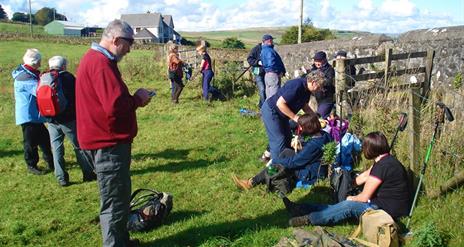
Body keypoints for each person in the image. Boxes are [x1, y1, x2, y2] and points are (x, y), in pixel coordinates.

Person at [75, 19, 152, 247]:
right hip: (107, 143)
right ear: (116, 40)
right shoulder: (100, 63)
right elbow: (115, 106)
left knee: (115, 196)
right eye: (129, 44)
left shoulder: (96, 60)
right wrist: (138, 99)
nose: (130, 49)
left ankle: (121, 241)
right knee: (114, 201)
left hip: (100, 139)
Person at [284, 131, 411, 227]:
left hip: (387, 212)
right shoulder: (385, 160)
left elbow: (364, 197)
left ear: (370, 149)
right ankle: (301, 208)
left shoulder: (383, 167)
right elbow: (366, 175)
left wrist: (351, 198)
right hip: (386, 205)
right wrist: (348, 184)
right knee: (338, 206)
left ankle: (309, 219)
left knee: (348, 206)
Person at [233, 112, 333, 190]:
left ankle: (252, 182)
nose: (300, 128)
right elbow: (314, 154)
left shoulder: (313, 145)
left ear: (308, 127)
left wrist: (275, 160)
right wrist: (301, 145)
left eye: (301, 126)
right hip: (315, 166)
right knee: (286, 152)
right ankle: (257, 179)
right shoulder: (324, 135)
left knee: (279, 164)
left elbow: (294, 162)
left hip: (310, 175)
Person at [45, 56, 96, 186]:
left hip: (51, 119)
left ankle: (61, 178)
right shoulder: (68, 78)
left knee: (56, 148)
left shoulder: (44, 77)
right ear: (63, 66)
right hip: (68, 119)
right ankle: (88, 173)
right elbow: (79, 96)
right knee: (79, 146)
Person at [260, 70, 325, 161]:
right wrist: (295, 118)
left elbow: (304, 105)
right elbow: (280, 103)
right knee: (279, 140)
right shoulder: (296, 85)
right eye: (320, 86)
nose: (320, 89)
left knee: (287, 139)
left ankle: (287, 162)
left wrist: (315, 117)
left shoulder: (307, 90)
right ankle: (276, 167)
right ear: (313, 82)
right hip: (272, 111)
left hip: (282, 115)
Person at [12, 48, 54, 175]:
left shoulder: (27, 73)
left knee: (44, 138)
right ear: (34, 62)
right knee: (30, 142)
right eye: (39, 61)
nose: (41, 64)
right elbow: (39, 91)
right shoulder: (25, 77)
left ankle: (50, 161)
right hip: (28, 115)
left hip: (34, 115)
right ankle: (31, 164)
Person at [310, 51, 335, 119]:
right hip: (314, 98)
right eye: (315, 60)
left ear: (324, 60)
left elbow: (329, 82)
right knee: (311, 117)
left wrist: (318, 81)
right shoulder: (313, 69)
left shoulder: (329, 69)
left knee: (320, 117)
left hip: (326, 98)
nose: (317, 63)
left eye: (319, 60)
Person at [260, 34, 286, 99]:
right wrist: (278, 72)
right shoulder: (269, 51)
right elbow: (272, 63)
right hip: (273, 75)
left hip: (267, 74)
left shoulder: (263, 50)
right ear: (268, 41)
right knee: (274, 97)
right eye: (271, 40)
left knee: (269, 96)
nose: (272, 41)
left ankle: (266, 109)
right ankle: (273, 109)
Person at [247, 39, 266, 108]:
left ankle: (261, 105)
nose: (271, 43)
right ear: (263, 42)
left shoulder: (270, 48)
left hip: (266, 72)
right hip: (257, 72)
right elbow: (249, 59)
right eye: (269, 41)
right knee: (262, 89)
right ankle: (264, 108)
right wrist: (258, 62)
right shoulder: (256, 49)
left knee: (265, 90)